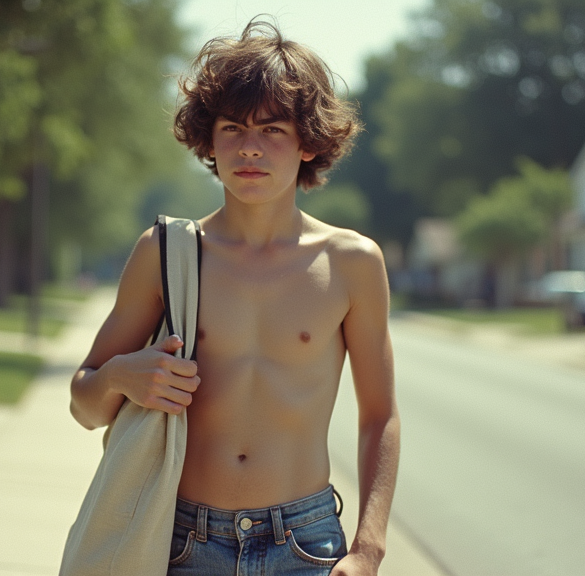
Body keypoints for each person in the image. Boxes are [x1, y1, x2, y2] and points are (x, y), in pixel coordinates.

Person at [70, 17, 399, 576]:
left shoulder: (351, 262)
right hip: (182, 540)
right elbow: (84, 404)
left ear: (307, 143)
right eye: (232, 129)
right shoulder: (168, 252)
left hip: (306, 543)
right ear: (209, 139)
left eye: (272, 130)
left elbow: (380, 416)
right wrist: (123, 376)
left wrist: (368, 547)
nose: (250, 149)